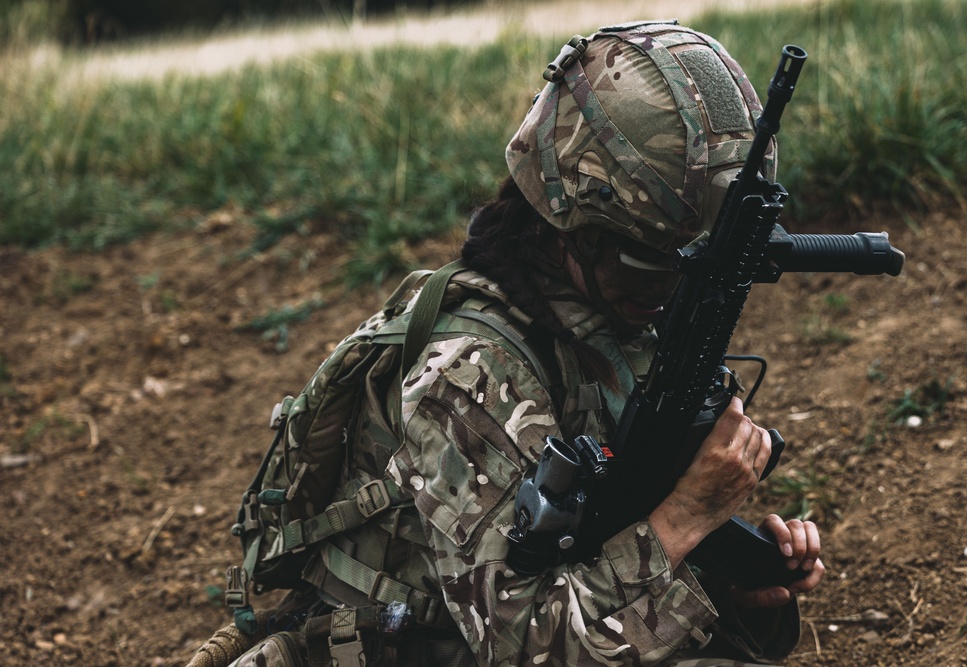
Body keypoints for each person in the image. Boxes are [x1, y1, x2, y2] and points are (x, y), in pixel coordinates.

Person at [189, 19, 823, 667]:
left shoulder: (617, 319)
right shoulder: (471, 367)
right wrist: (686, 518)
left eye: (692, 262)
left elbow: (605, 535)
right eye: (646, 262)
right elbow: (522, 647)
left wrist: (728, 581)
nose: (667, 286)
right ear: (568, 219)